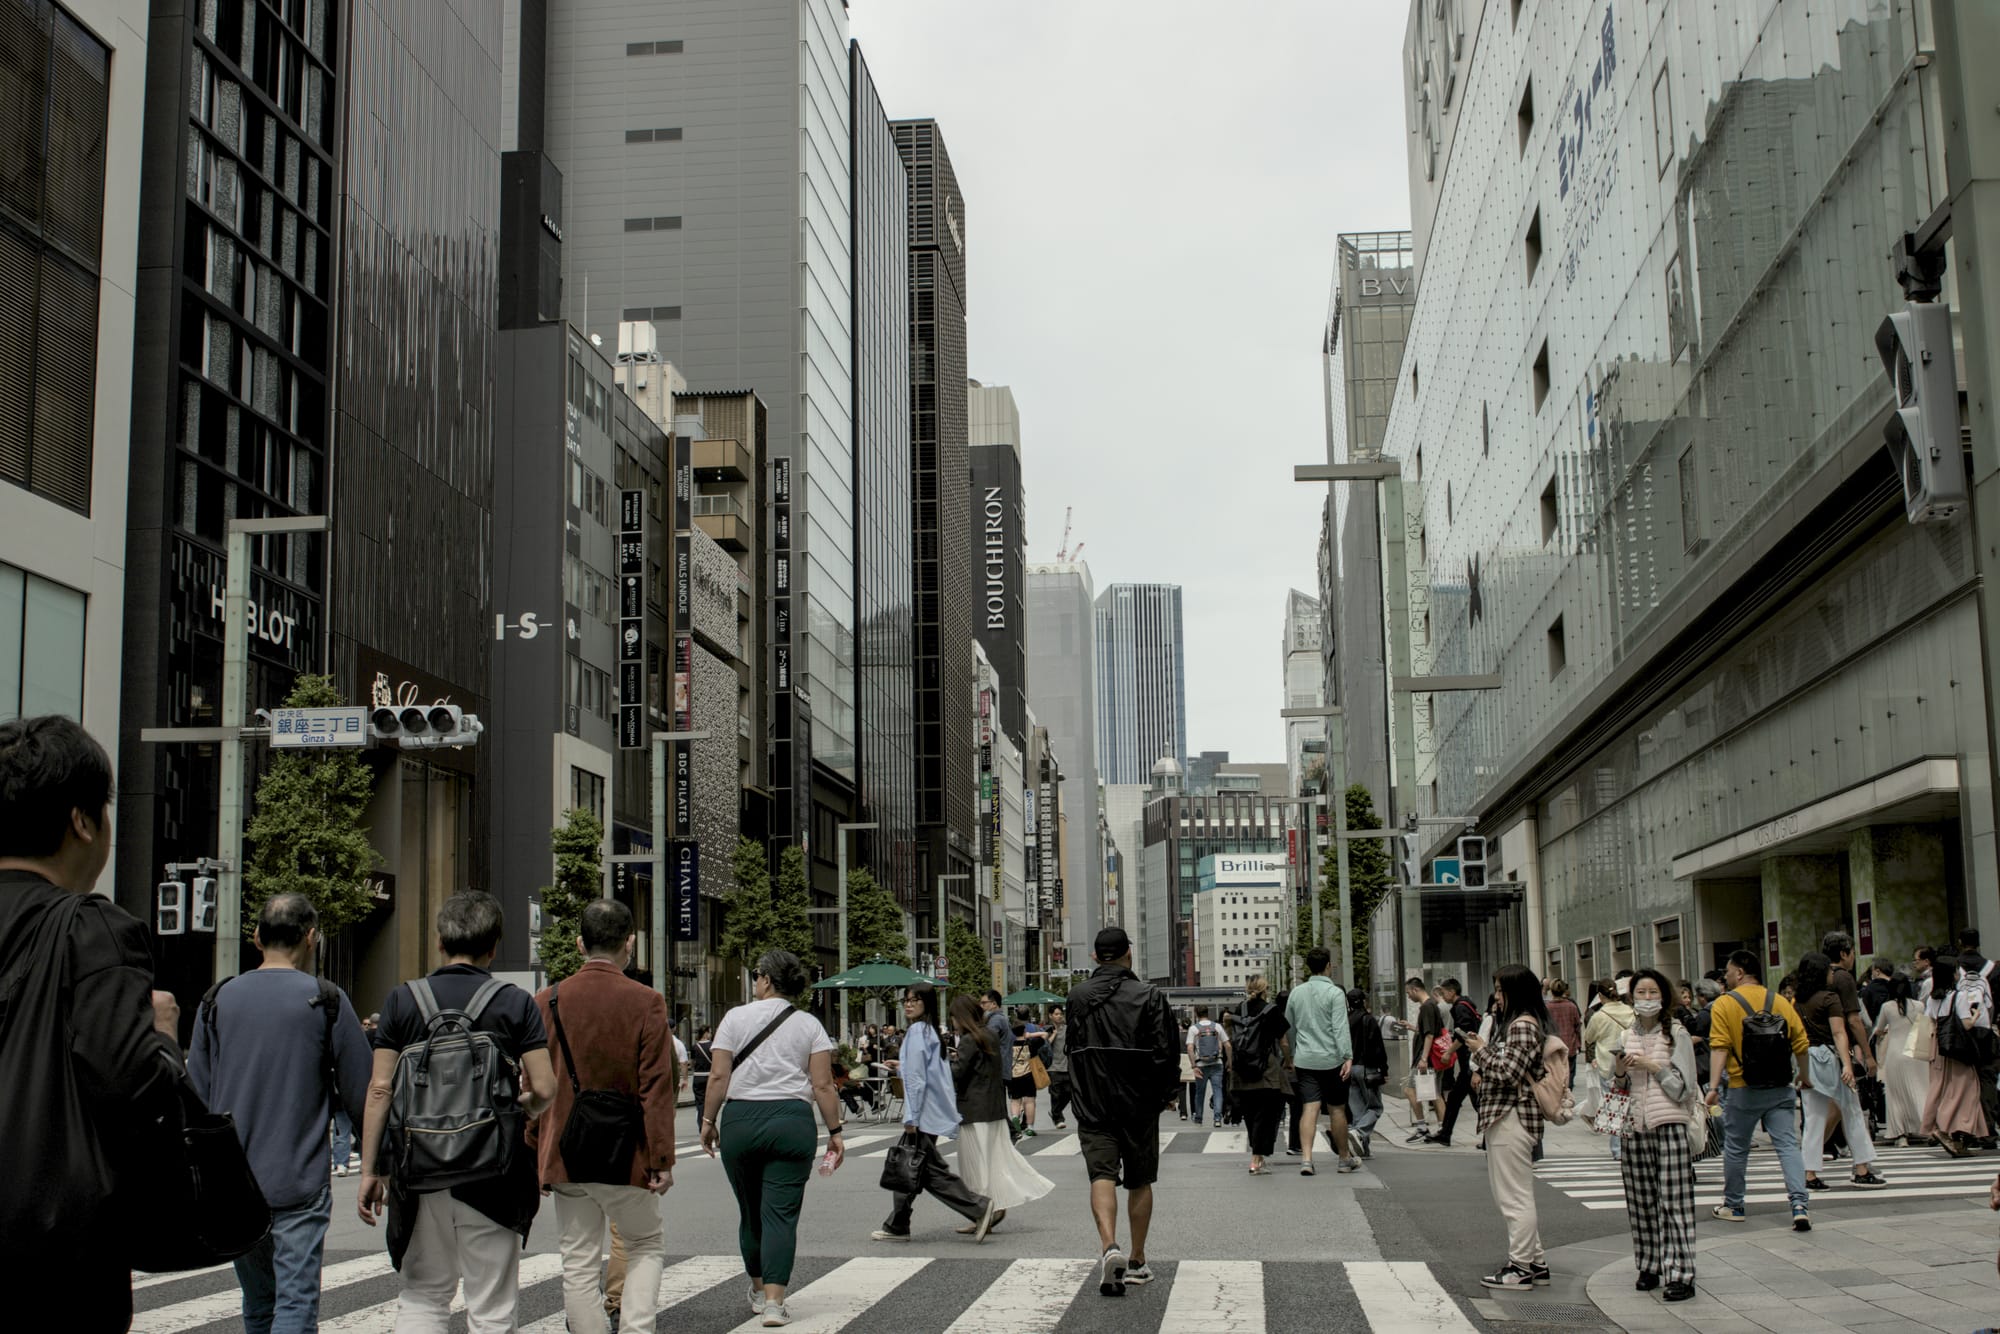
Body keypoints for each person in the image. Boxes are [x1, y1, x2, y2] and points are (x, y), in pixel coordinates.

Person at [0, 716, 188, 1333]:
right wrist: (161, 1036)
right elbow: (134, 1092)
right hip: (48, 1264)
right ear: (82, 821)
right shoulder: (91, 930)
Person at [358, 891, 558, 1333]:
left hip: (418, 1171)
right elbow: (545, 1087)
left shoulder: (400, 1001)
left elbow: (379, 1090)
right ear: (494, 945)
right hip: (493, 1172)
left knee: (422, 1296)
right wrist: (525, 1108)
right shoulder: (514, 1001)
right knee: (491, 1307)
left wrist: (371, 1169)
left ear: (439, 940)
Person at [189, 892, 373, 1334]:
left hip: (233, 1183)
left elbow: (196, 1094)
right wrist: (376, 1165)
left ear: (255, 936)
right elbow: (361, 1091)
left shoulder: (217, 1000)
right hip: (299, 1180)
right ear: (311, 938)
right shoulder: (326, 999)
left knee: (258, 1303)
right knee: (295, 1304)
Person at [526, 900, 675, 1334]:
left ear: (579, 944)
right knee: (645, 1242)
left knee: (577, 1262)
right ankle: (635, 1329)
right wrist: (662, 1159)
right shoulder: (647, 1002)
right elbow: (656, 1087)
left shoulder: (545, 1001)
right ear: (629, 944)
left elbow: (534, 1084)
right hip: (626, 1152)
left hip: (565, 1150)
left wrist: (539, 1146)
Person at [701, 951, 844, 1327]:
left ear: (765, 979)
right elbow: (823, 1085)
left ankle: (758, 1288)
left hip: (741, 1120)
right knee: (780, 1215)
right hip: (791, 1120)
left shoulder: (734, 1018)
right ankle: (775, 1304)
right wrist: (835, 1132)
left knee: (751, 1214)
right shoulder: (810, 1025)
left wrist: (708, 1119)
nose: (753, 982)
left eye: (755, 976)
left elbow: (718, 1077)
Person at [1066, 926, 1180, 1296]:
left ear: (1096, 957)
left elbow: (1072, 1049)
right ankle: (1137, 1259)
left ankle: (1108, 1246)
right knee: (1139, 1179)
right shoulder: (1149, 995)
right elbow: (1165, 1051)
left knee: (1101, 1174)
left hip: (1094, 1101)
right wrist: (1166, 1093)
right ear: (1129, 952)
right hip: (1138, 1102)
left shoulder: (1078, 997)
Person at [870, 986, 996, 1243]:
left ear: (926, 1003)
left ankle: (978, 1207)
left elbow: (917, 1080)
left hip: (923, 1113)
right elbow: (926, 1071)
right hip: (933, 1111)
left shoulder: (917, 1032)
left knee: (923, 1170)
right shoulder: (930, 1032)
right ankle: (898, 1224)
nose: (908, 1004)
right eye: (905, 1000)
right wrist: (903, 1065)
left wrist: (911, 1117)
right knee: (912, 1167)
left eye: (914, 1000)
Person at [1609, 968, 1704, 1303]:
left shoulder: (1675, 1033)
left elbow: (1684, 1089)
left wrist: (1653, 1066)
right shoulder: (1625, 1036)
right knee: (1640, 1203)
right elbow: (1618, 1088)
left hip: (1669, 1127)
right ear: (1631, 997)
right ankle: (1649, 1265)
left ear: (1664, 997)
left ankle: (1681, 1272)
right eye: (1640, 993)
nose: (1646, 999)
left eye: (1653, 993)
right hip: (1634, 1128)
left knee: (1674, 1203)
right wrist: (1620, 1071)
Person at [1460, 964, 1555, 1292]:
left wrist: (1480, 1051)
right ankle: (1535, 1261)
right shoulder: (1519, 1024)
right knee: (1515, 1194)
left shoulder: (1521, 1026)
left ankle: (1519, 1268)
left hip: (1511, 1117)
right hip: (1509, 1117)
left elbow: (1506, 1073)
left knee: (1513, 1197)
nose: (1496, 997)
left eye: (1501, 990)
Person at [1705, 949, 1812, 1231]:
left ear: (1739, 973)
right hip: (1780, 1087)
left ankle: (1734, 1205)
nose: (1725, 977)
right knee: (1787, 1145)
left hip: (1743, 1088)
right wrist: (1805, 1075)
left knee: (1737, 1148)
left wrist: (1713, 1086)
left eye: (1727, 972)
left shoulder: (1723, 1004)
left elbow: (1719, 1046)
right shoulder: (1780, 1001)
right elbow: (1801, 1043)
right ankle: (1799, 1205)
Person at [950, 995, 1052, 1233]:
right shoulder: (989, 1035)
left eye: (954, 1016)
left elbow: (958, 1073)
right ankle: (991, 1210)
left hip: (973, 1110)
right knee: (992, 1162)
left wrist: (942, 1063)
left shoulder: (969, 1039)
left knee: (973, 1166)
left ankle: (982, 1212)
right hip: (994, 1108)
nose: (953, 1021)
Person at [1793, 951, 1888, 1191]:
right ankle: (1862, 1169)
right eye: (1827, 970)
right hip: (1829, 1059)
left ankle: (1809, 1173)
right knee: (1852, 1111)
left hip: (1807, 1060)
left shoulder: (1798, 1001)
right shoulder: (1830, 998)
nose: (1831, 974)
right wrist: (1847, 1064)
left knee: (1814, 1118)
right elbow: (1839, 1034)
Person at [1286, 946, 1358, 1174]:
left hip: (1306, 1059)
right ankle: (1344, 1159)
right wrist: (1347, 1056)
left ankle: (1306, 1159)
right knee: (1337, 1109)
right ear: (1328, 966)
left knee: (1309, 1108)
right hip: (1332, 1059)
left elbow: (1289, 1027)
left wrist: (1293, 1054)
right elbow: (1340, 1028)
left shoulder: (1296, 993)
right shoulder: (1336, 994)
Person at [1923, 953, 1991, 1157]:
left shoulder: (1932, 999)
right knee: (1966, 1090)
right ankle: (1945, 1129)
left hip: (1938, 1048)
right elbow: (1966, 1024)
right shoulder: (1958, 997)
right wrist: (1977, 1014)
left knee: (1941, 1089)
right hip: (1957, 1049)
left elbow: (1929, 1022)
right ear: (1952, 975)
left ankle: (1950, 1133)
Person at [1225, 975, 1290, 1173]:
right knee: (1267, 1113)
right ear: (1265, 989)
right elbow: (1284, 1042)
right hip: (1265, 1068)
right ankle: (1256, 1157)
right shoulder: (1272, 1011)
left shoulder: (1239, 1009)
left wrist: (1231, 1061)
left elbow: (1230, 1038)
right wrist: (1289, 1060)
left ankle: (1257, 1155)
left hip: (1242, 1069)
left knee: (1250, 1114)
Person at [1871, 967, 1930, 1146]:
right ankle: (1926, 1127)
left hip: (1895, 1053)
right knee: (1920, 1090)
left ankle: (1900, 1134)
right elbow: (1924, 1029)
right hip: (1915, 1054)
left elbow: (1879, 1030)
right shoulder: (1919, 1006)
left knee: (1896, 1095)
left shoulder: (1887, 1007)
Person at [1428, 978, 1484, 1149]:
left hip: (1469, 1062)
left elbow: (1463, 1034)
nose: (1443, 996)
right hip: (1469, 1062)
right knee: (1456, 1098)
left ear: (1452, 992)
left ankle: (1488, 1135)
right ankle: (1445, 1134)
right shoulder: (1466, 1004)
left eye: (1444, 992)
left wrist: (1449, 1052)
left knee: (1475, 1102)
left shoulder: (1460, 1007)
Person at [1583, 979, 1635, 1160]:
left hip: (1607, 1064)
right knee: (1632, 1104)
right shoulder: (1630, 1011)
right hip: (1629, 1061)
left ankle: (1618, 1149)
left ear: (1600, 996)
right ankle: (1632, 1144)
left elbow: (1589, 1037)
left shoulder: (1599, 1016)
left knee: (1614, 1105)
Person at [1395, 977, 1448, 1139]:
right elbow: (1427, 1031)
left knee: (1410, 1090)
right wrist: (1411, 1027)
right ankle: (1442, 1128)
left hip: (1425, 1058)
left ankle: (1423, 1126)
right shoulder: (1431, 1005)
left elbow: (1430, 1034)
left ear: (1415, 989)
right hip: (1430, 1058)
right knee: (1434, 1093)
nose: (1409, 996)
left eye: (1409, 992)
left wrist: (1423, 1059)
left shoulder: (1427, 1007)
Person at [1346, 987, 1388, 1159]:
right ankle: (1357, 1132)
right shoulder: (1368, 1020)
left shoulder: (1345, 1020)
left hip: (1349, 1068)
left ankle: (1362, 1149)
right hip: (1367, 1068)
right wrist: (1384, 1069)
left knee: (1357, 1111)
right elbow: (1378, 1046)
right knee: (1375, 1107)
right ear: (1363, 1001)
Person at [1185, 1004, 1230, 1125]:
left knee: (1200, 1092)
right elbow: (1228, 1045)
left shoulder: (1194, 1029)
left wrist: (1193, 1065)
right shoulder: (1217, 1027)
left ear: (1196, 1014)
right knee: (1218, 1091)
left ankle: (1199, 1117)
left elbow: (1190, 1048)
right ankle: (1217, 1119)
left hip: (1200, 1065)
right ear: (1208, 1013)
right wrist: (1229, 1062)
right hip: (1217, 1063)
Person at [1006, 1012, 1048, 1137]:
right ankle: (1030, 1127)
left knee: (1015, 1101)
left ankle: (1014, 1117)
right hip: (1028, 1075)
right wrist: (1030, 1035)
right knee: (1029, 1101)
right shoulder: (1031, 1043)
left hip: (1013, 1076)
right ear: (1024, 1030)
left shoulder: (1009, 1046)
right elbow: (1045, 1034)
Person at [1546, 980, 1584, 1089]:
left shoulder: (1547, 1007)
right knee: (1570, 1074)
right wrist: (1579, 1043)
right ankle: (1568, 1093)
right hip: (1570, 1045)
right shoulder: (1571, 1006)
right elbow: (1577, 1026)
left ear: (1551, 991)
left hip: (1553, 1046)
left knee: (1555, 1074)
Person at [1044, 1005, 1074, 1129]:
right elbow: (1045, 1046)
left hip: (1067, 1066)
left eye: (1060, 1014)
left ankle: (1056, 1111)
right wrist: (1053, 1034)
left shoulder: (1068, 1029)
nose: (1059, 1016)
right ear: (1050, 1016)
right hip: (1053, 1067)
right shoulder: (1047, 1030)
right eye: (1056, 1014)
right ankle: (1058, 1119)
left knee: (1069, 1093)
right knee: (1055, 1094)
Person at [691, 1026, 716, 1133]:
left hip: (698, 1077)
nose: (710, 1035)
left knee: (700, 1103)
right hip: (710, 1076)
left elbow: (692, 1063)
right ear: (705, 1033)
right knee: (711, 1102)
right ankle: (711, 1124)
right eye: (710, 1032)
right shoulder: (712, 1046)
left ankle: (701, 1125)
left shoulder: (694, 1047)